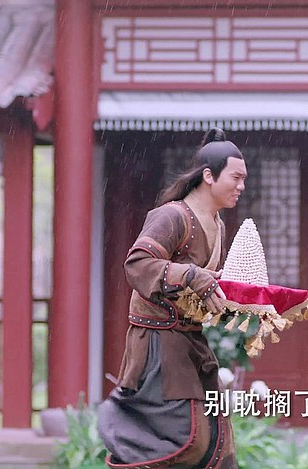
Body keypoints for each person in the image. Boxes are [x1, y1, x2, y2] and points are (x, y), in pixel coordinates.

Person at [98, 128, 246, 469]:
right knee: (185, 439)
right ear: (208, 176)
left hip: (191, 342)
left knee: (217, 442)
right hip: (158, 344)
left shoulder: (218, 224)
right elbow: (137, 264)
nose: (241, 186)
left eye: (244, 179)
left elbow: (209, 286)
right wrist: (191, 275)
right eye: (236, 178)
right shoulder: (172, 216)